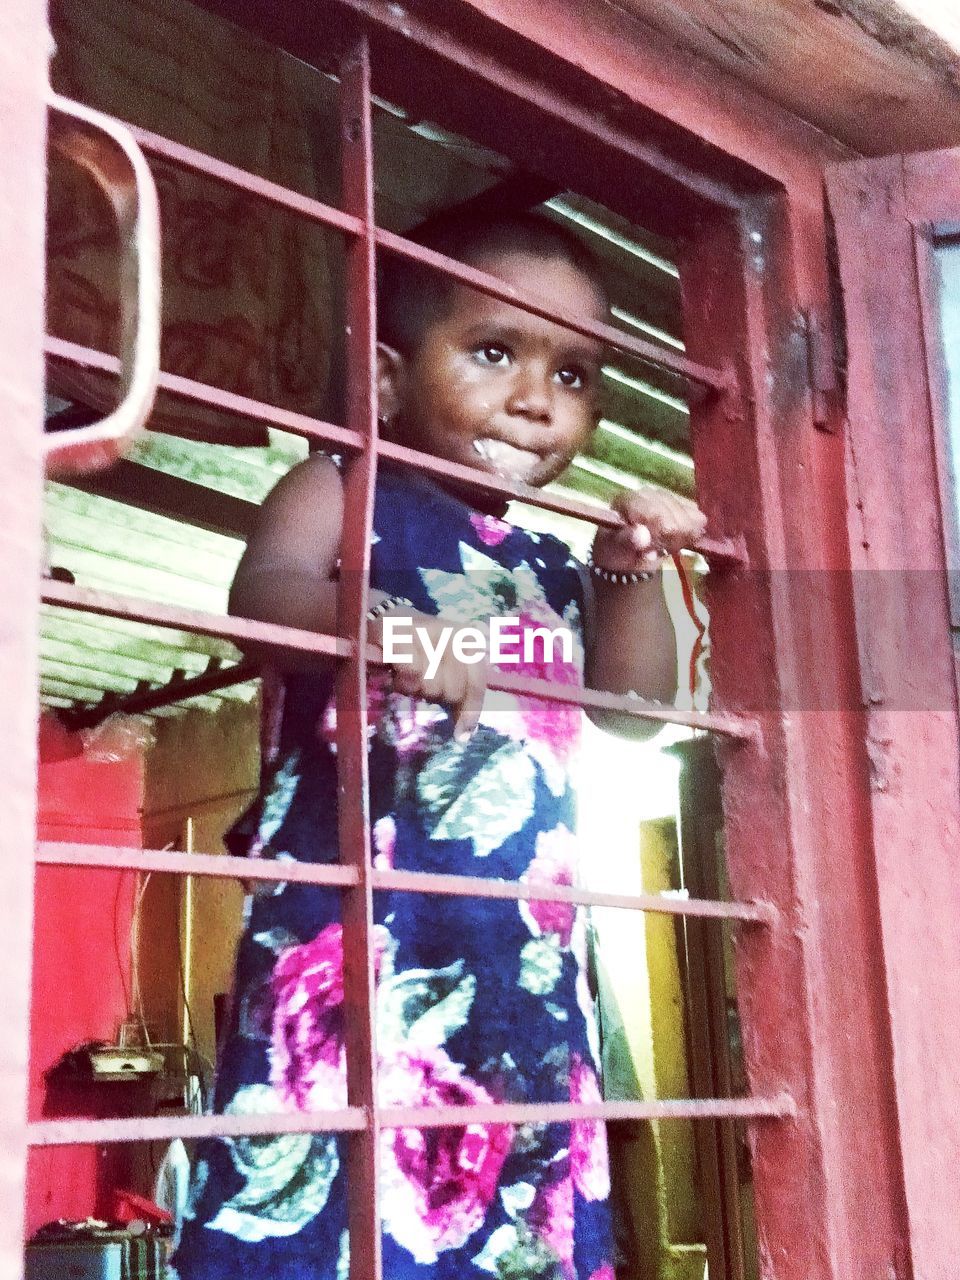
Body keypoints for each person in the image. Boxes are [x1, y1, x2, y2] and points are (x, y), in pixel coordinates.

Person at [172, 211, 706, 1280]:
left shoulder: (553, 563)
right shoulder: (347, 493)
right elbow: (260, 597)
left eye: (575, 373)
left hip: (521, 953)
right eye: (495, 351)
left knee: (510, 1214)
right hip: (356, 943)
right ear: (384, 379)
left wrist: (630, 561)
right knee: (333, 1214)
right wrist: (385, 630)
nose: (535, 399)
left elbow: (638, 705)